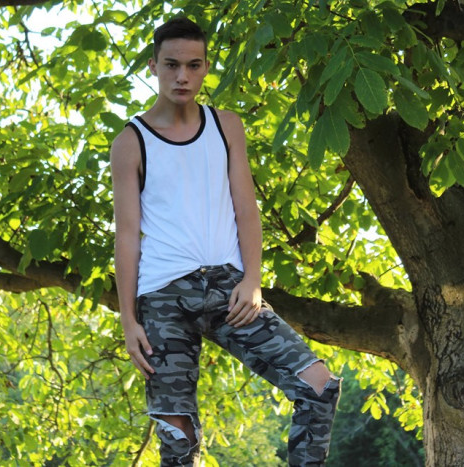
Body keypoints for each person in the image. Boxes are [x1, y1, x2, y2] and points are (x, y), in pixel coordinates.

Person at [110, 16, 340, 466]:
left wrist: (253, 279)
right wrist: (128, 320)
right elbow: (127, 236)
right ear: (154, 66)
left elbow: (246, 209)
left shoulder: (226, 126)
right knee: (178, 436)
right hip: (162, 297)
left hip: (229, 288)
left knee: (317, 385)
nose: (182, 76)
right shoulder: (130, 142)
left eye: (193, 65)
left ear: (205, 67)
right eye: (172, 65)